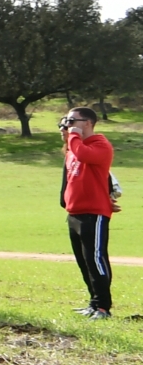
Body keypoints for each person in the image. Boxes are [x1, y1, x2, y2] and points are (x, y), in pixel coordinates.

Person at [62, 106, 117, 319]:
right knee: (84, 262)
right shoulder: (74, 148)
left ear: (87, 123)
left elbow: (85, 155)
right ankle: (93, 303)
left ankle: (103, 307)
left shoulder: (100, 145)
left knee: (96, 261)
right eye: (67, 120)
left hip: (94, 213)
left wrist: (73, 137)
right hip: (74, 213)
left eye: (72, 120)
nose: (68, 124)